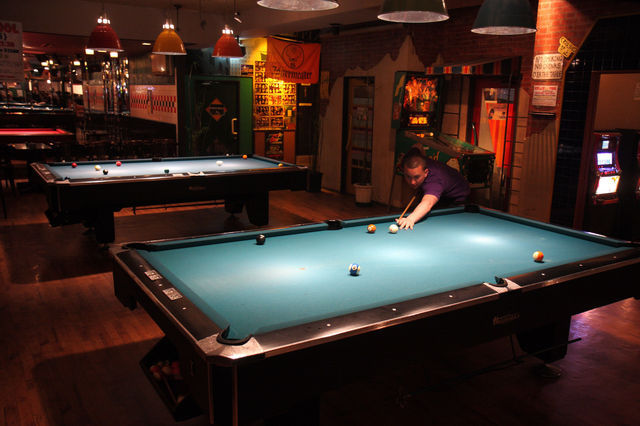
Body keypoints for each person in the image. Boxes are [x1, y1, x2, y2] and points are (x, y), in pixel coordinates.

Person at [396, 147, 470, 230]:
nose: (412, 182)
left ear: (426, 172)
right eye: (408, 176)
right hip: (442, 187)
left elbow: (428, 203)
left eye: (416, 177)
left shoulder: (434, 181)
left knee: (444, 224)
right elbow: (417, 148)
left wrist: (410, 219)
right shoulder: (410, 158)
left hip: (457, 195)